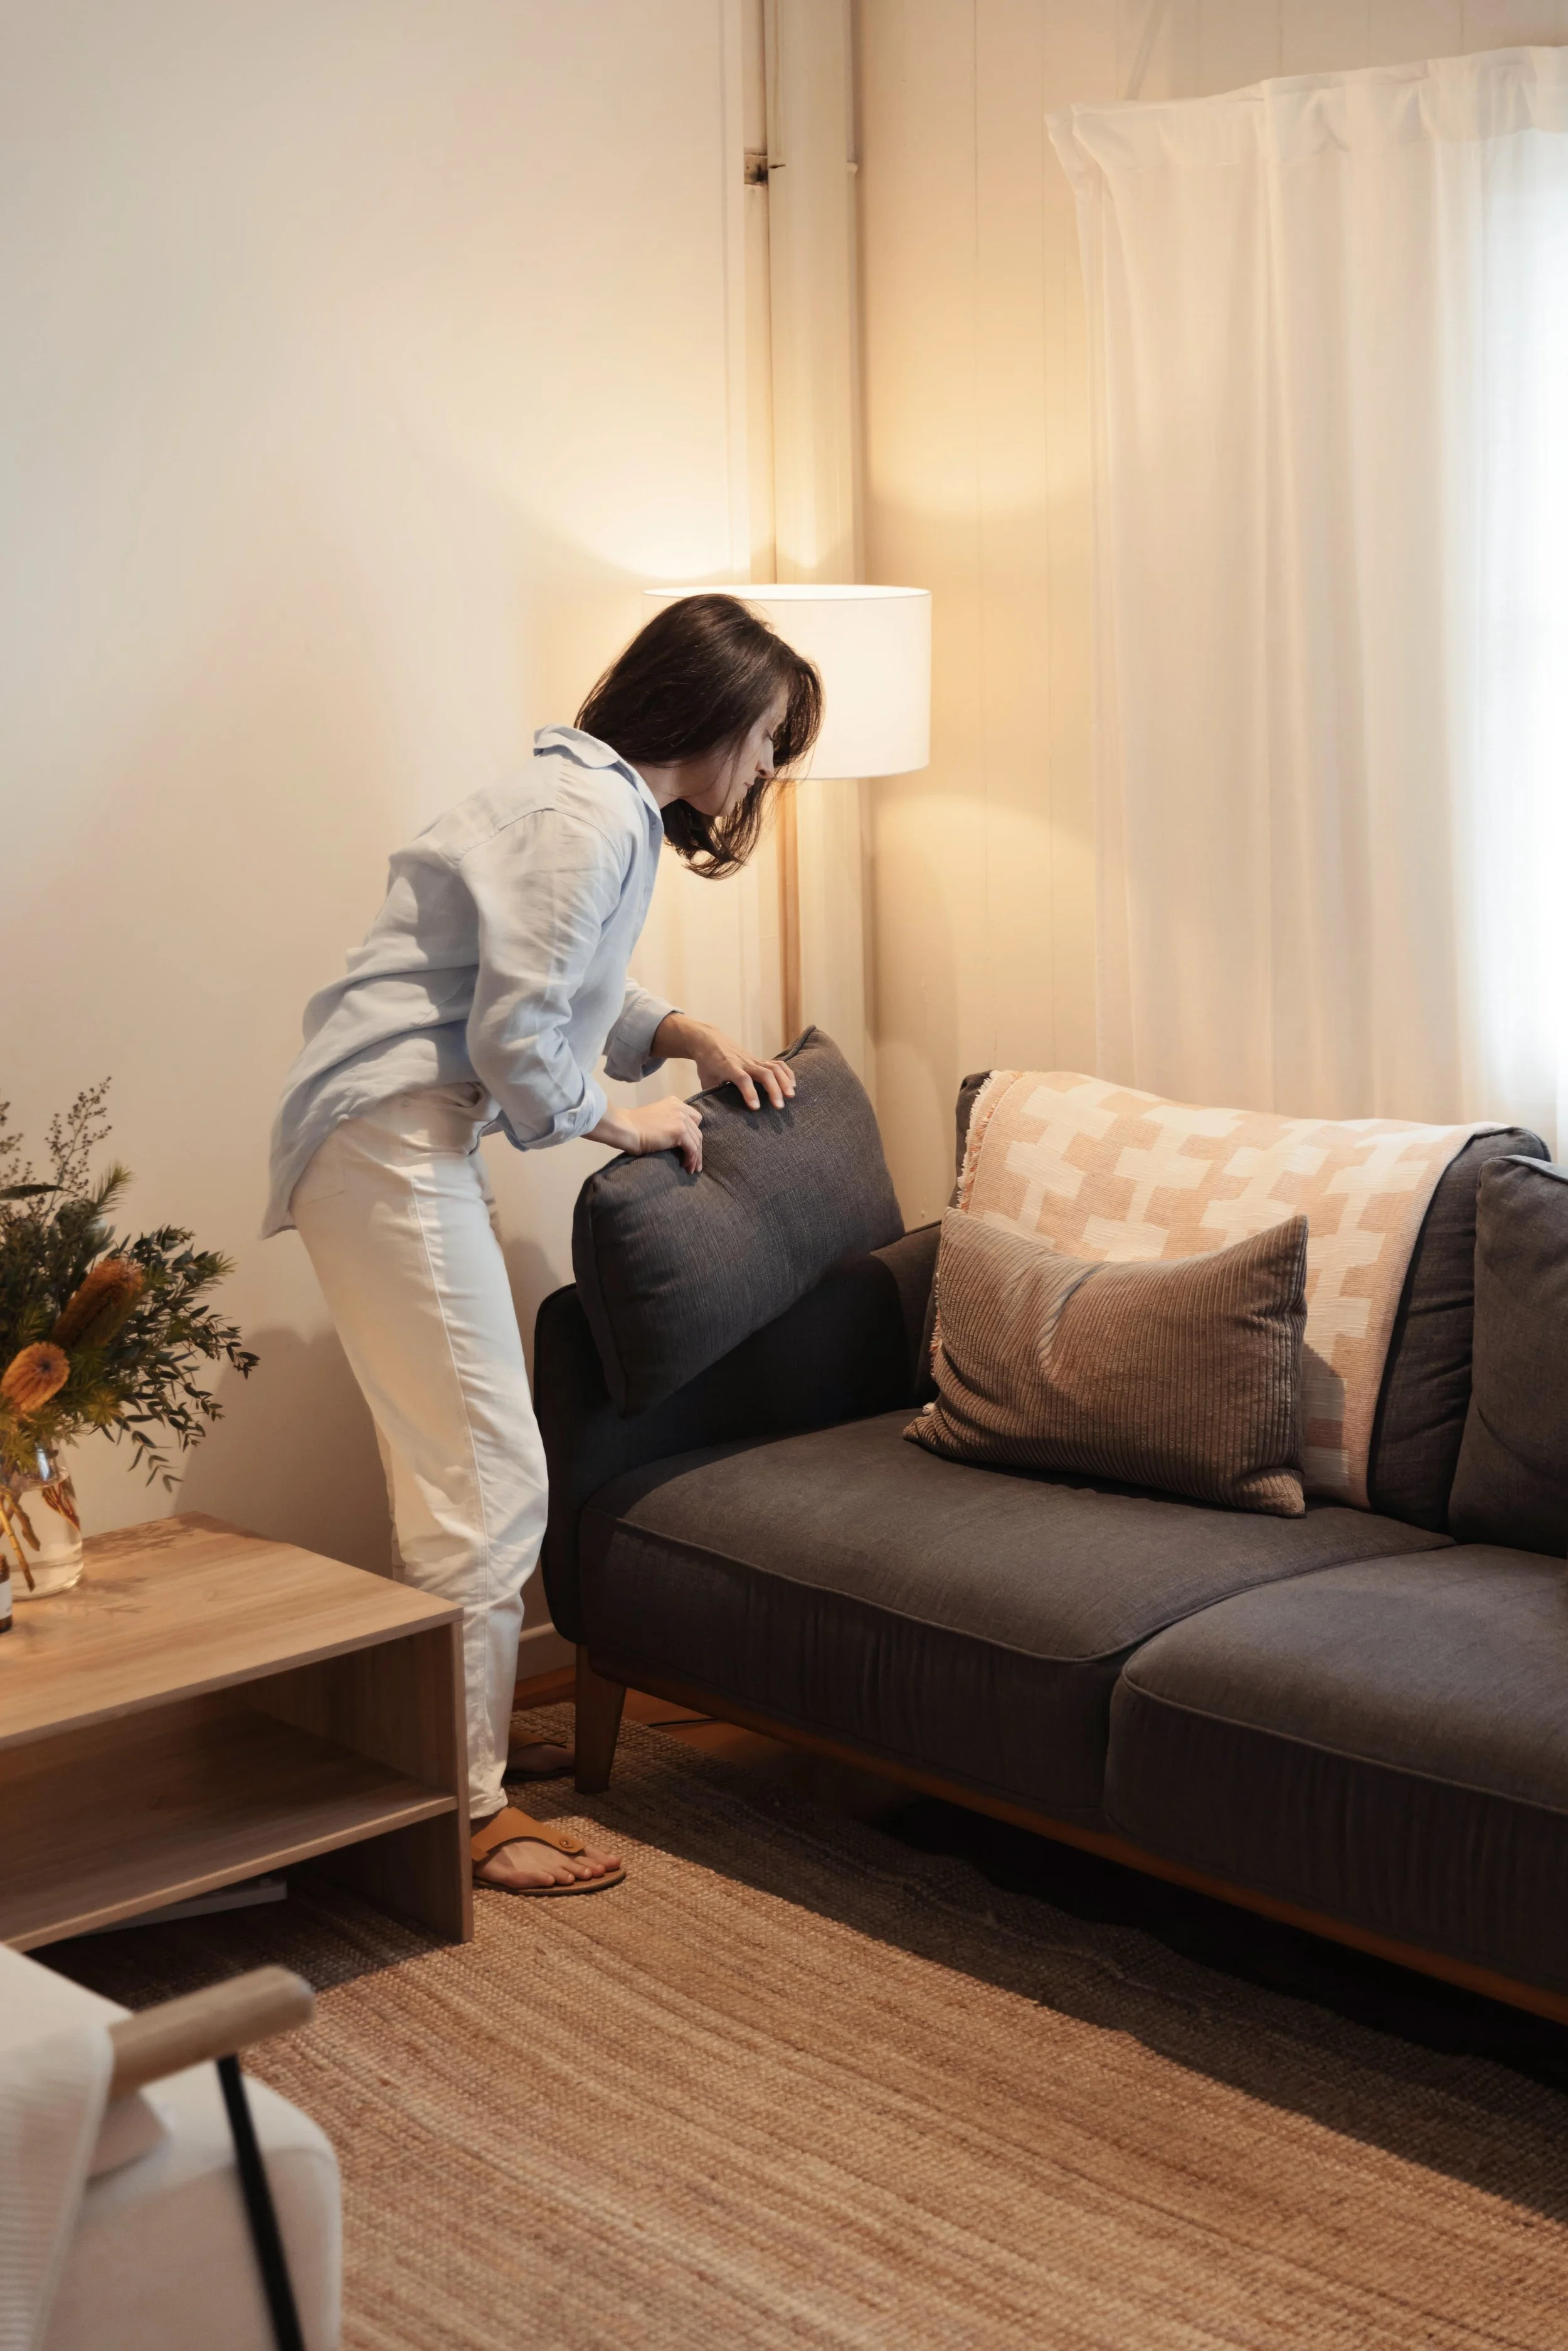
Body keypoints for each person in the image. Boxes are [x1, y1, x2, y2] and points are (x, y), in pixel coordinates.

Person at [265, 594, 822, 1894]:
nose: (767, 770)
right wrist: (613, 1122)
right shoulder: (583, 819)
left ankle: (429, 1780)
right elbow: (521, 1036)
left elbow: (566, 981)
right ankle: (463, 1813)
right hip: (393, 1137)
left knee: (451, 1482)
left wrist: (680, 1031)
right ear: (723, 714)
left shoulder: (587, 802)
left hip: (389, 1137)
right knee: (490, 1478)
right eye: (771, 739)